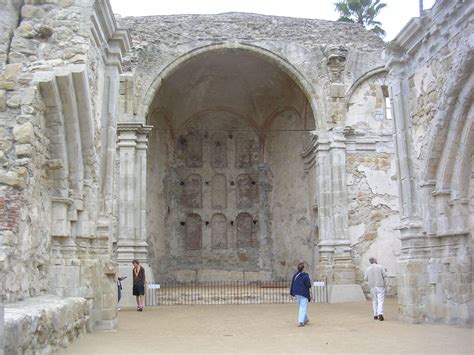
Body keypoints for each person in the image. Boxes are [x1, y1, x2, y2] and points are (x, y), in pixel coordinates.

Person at [290, 262, 312, 327]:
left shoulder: (295, 275)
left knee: (301, 307)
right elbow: (308, 285)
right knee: (302, 307)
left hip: (296, 293)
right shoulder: (305, 275)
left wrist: (291, 293)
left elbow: (292, 284)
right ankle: (300, 321)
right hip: (304, 293)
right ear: (303, 269)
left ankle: (306, 319)